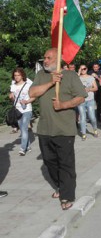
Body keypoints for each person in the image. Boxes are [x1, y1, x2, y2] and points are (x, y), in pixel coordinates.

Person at [29, 48, 87, 210]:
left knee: (66, 164)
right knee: (49, 162)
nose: (45, 61)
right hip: (44, 129)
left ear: (58, 59)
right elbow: (32, 91)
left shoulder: (70, 75)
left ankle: (67, 196)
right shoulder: (41, 76)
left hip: (64, 129)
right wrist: (50, 82)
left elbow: (81, 97)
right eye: (44, 58)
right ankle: (60, 187)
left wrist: (63, 105)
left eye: (49, 58)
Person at [9, 68, 35, 156]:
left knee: (24, 128)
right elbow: (13, 100)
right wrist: (11, 97)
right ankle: (27, 146)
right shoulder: (13, 86)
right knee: (23, 130)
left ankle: (22, 148)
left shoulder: (28, 85)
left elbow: (34, 97)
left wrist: (27, 101)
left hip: (27, 109)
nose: (16, 77)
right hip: (17, 110)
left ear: (22, 75)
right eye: (15, 75)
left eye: (18, 75)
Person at [77, 64, 98, 140]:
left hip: (90, 100)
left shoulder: (91, 78)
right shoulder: (77, 78)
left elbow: (96, 88)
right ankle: (83, 134)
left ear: (87, 69)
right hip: (81, 100)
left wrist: (89, 89)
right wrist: (78, 73)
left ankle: (95, 129)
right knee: (82, 118)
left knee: (92, 117)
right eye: (81, 69)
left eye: (84, 68)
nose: (83, 70)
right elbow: (74, 84)